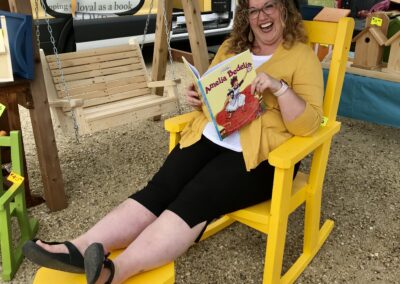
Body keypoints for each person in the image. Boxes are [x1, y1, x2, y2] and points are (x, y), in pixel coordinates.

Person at [22, 0, 323, 283]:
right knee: (159, 190)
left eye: (269, 5)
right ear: (246, 15)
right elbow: (216, 96)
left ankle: (114, 271)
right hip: (211, 135)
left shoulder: (301, 56)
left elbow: (308, 125)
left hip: (261, 156)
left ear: (284, 9)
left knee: (193, 199)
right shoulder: (234, 46)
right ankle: (79, 248)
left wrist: (280, 88)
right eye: (254, 9)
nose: (262, 16)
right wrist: (199, 97)